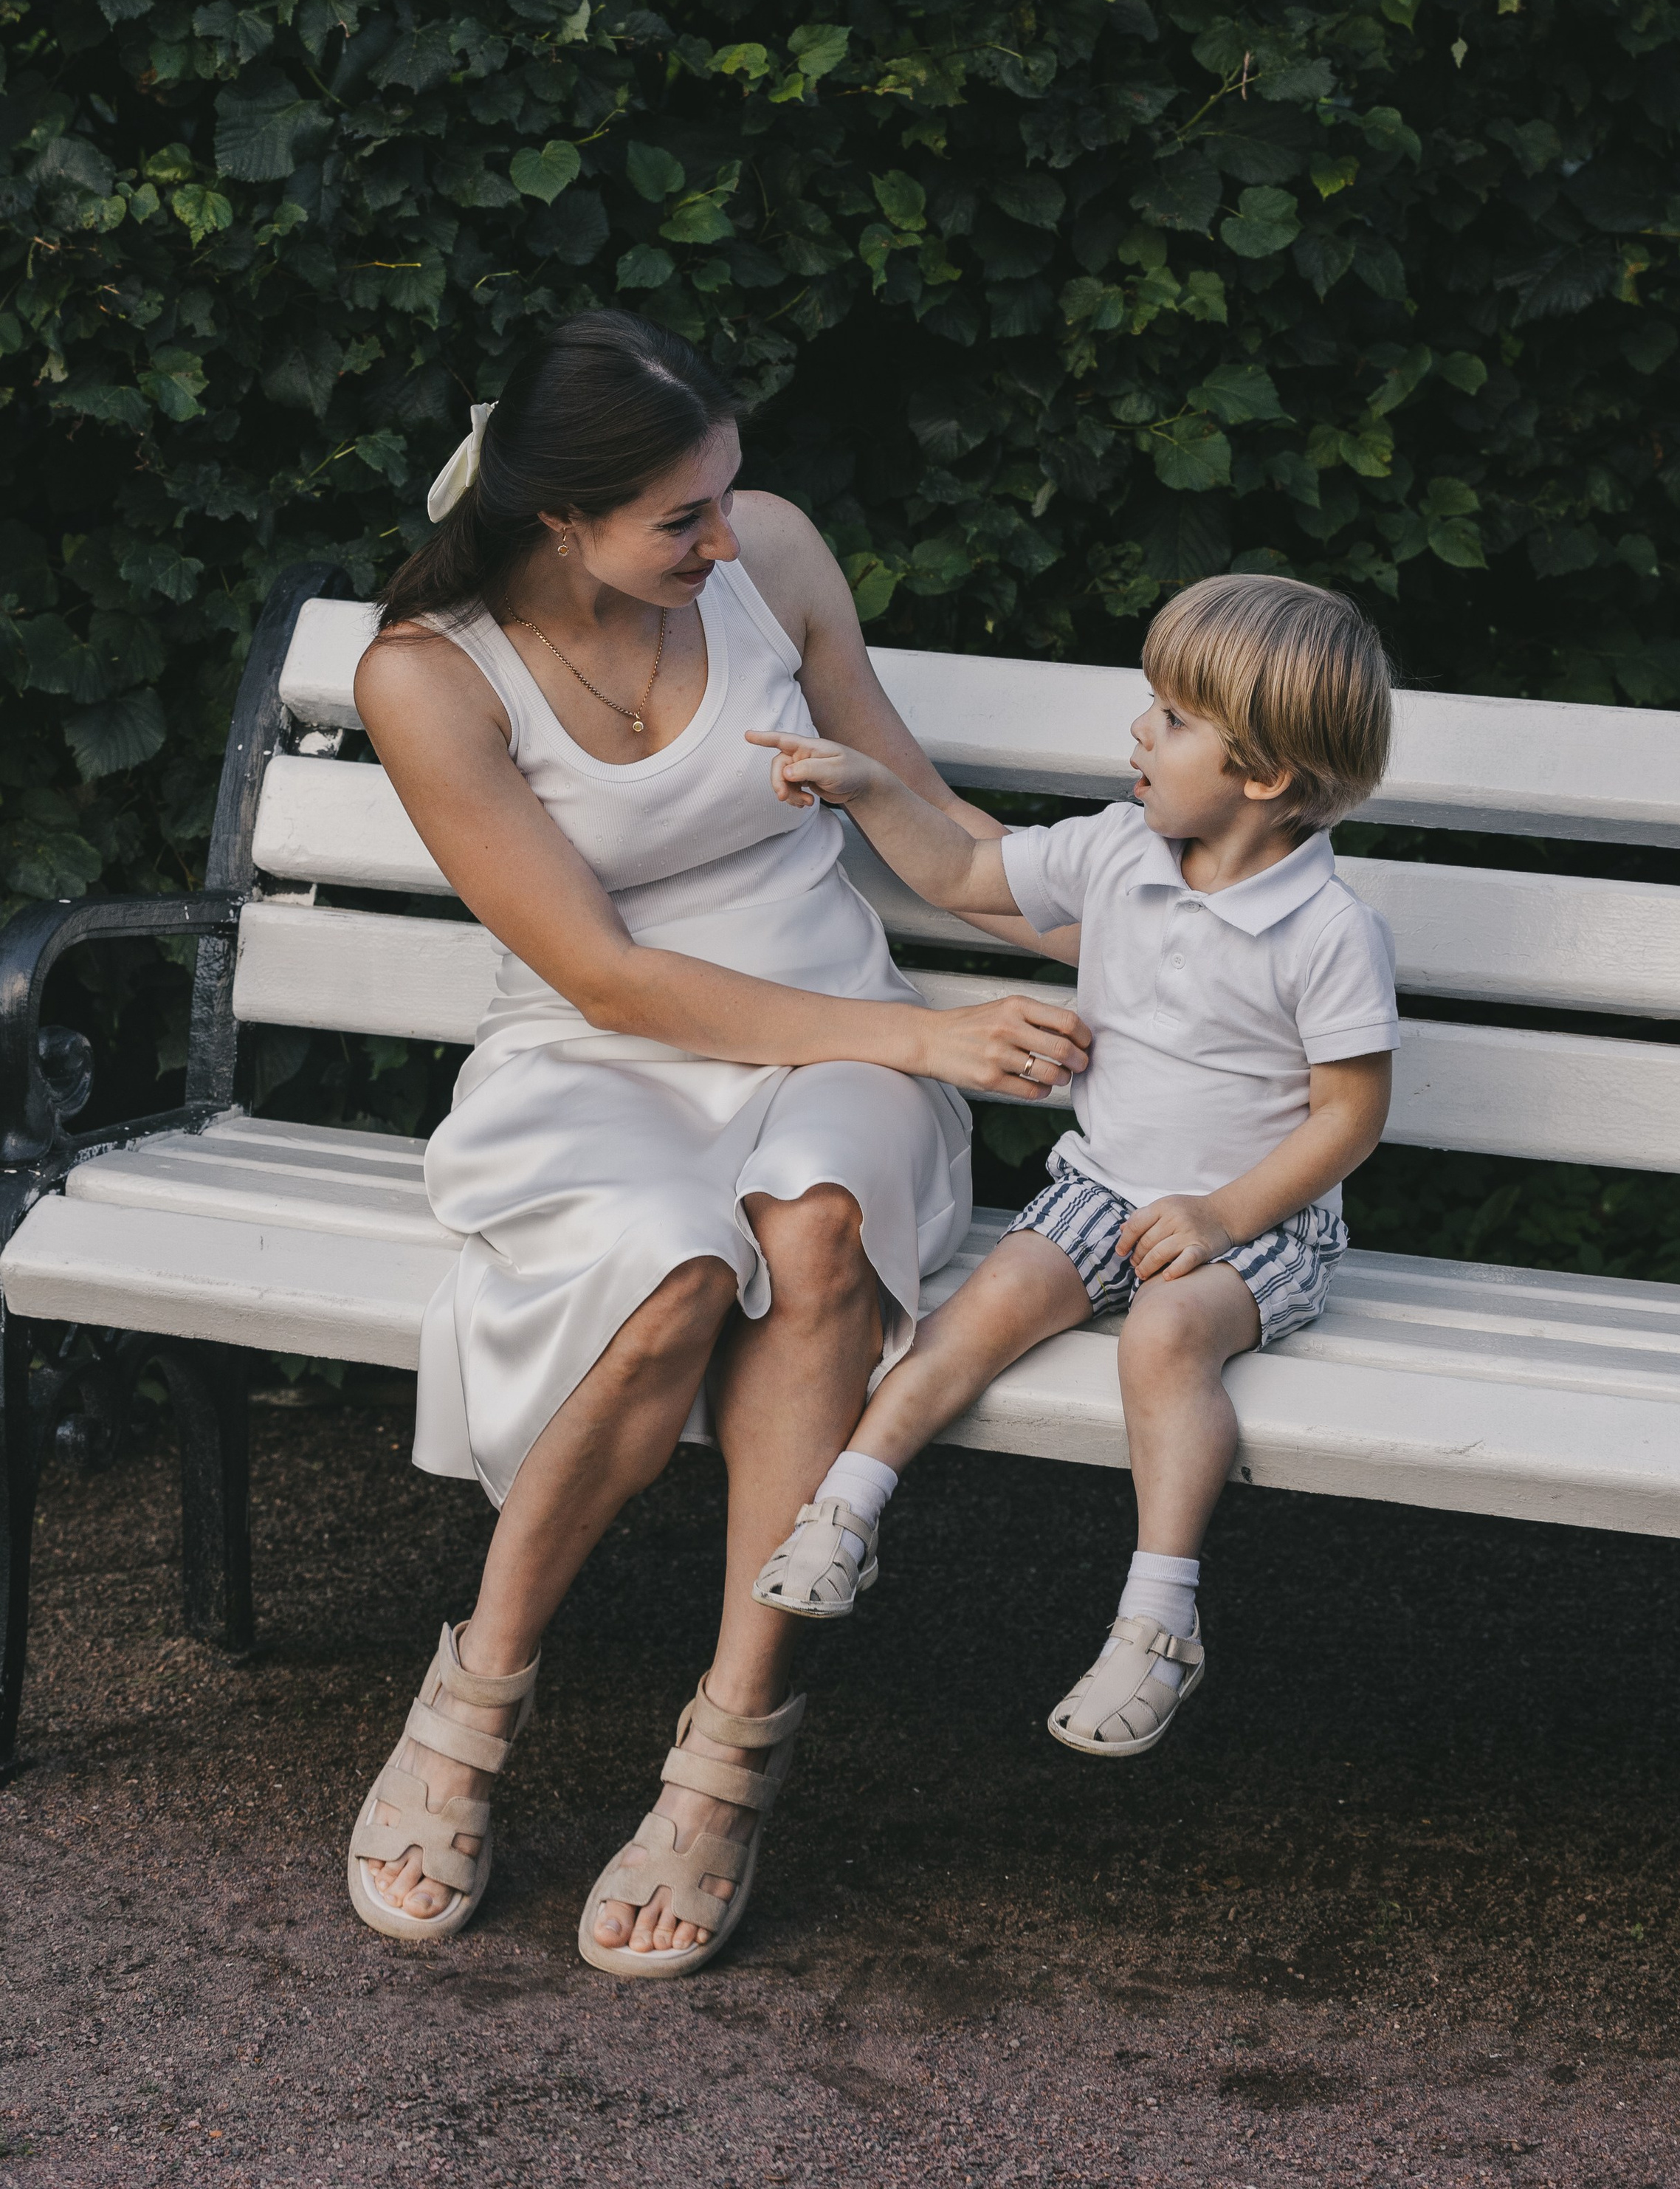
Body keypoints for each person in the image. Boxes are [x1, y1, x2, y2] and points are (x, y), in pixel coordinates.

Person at [345, 310, 1089, 1973]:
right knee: (673, 1270)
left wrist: (1156, 935)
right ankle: (473, 1697)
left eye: (728, 494)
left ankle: (728, 1756)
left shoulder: (770, 560)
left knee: (815, 1224)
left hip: (827, 1021)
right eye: (681, 515)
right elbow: (603, 974)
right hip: (601, 1050)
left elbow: (926, 829)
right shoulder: (426, 672)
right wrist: (924, 1036)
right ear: (558, 518)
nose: (723, 535)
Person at [746, 571, 1399, 1756]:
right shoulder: (1118, 851)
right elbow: (954, 872)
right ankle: (846, 1505)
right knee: (985, 1306)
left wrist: (1220, 1214)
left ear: (1264, 779)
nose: (1138, 734)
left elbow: (1348, 1119)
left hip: (1256, 1222)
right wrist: (872, 788)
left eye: (1174, 719)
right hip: (1100, 1190)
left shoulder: (1329, 932)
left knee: (1163, 1339)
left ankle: (1157, 1621)